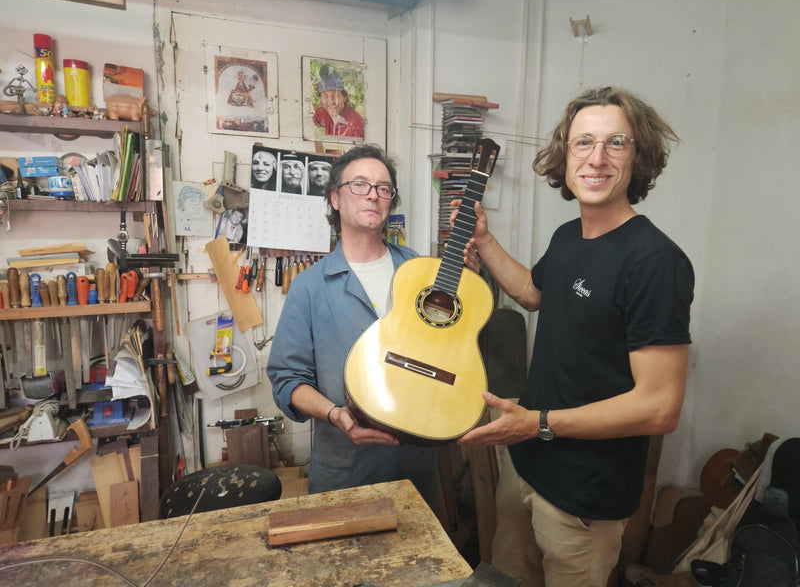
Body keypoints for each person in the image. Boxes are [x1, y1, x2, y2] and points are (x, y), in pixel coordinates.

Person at [456, 86, 694, 587]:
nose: (597, 158)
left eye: (616, 143)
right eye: (583, 142)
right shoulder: (568, 237)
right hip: (526, 467)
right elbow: (533, 292)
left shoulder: (655, 262)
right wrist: (483, 238)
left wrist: (537, 422)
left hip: (584, 497)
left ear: (639, 156)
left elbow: (659, 407)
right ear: (564, 157)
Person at [267, 145, 440, 508]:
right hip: (345, 469)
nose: (373, 195)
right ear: (335, 197)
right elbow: (288, 381)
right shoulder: (309, 287)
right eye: (360, 184)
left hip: (416, 464)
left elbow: (448, 350)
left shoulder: (422, 273)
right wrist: (336, 415)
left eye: (383, 187)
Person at [312, 71, 365, 138]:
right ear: (321, 99)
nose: (331, 102)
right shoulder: (324, 112)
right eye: (325, 96)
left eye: (335, 95)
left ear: (344, 97)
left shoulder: (355, 126)